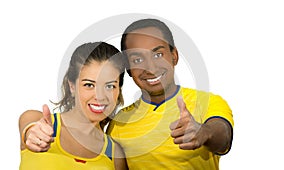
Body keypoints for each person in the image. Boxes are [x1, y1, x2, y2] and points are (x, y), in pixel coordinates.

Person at [106, 18, 234, 169]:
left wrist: (204, 132)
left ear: (174, 56)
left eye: (158, 55)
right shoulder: (119, 123)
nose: (150, 68)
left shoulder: (208, 101)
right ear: (128, 69)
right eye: (138, 59)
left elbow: (223, 138)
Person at [19, 42, 128, 169]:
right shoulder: (36, 121)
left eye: (109, 86)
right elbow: (29, 129)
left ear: (118, 90)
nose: (100, 96)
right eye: (89, 85)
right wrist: (33, 133)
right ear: (72, 86)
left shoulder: (115, 154)